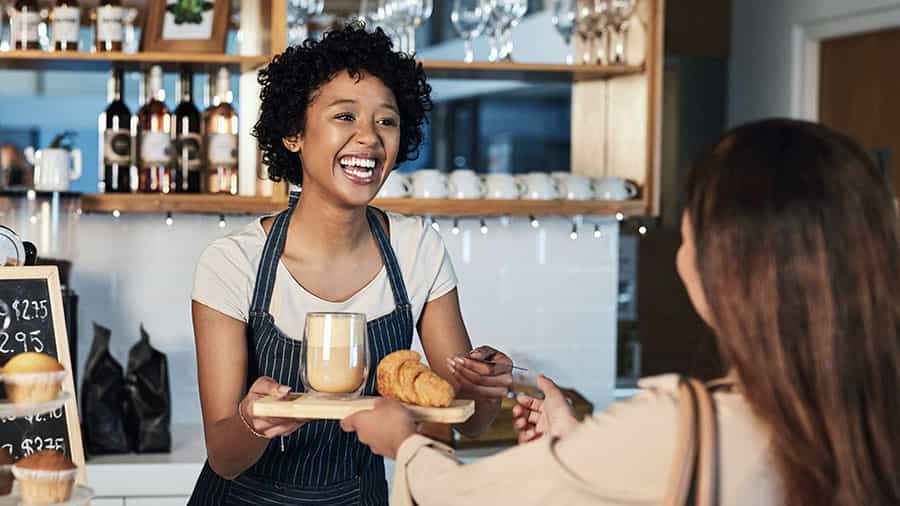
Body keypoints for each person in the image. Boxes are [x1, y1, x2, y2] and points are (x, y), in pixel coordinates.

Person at [342, 119, 900, 506]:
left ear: (726, 268)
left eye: (690, 235)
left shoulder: (684, 426)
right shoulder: (868, 421)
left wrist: (405, 444)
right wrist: (577, 445)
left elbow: (470, 499)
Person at [188, 24, 512, 505]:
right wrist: (252, 422)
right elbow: (225, 456)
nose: (369, 138)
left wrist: (485, 386)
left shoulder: (416, 249)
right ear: (294, 134)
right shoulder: (234, 263)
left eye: (387, 121)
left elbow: (464, 421)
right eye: (345, 116)